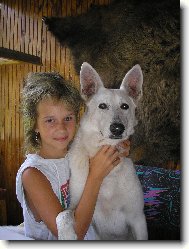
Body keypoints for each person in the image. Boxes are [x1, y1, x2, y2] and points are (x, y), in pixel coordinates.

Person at [16, 72, 131, 240]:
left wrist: (118, 149)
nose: (61, 128)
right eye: (50, 120)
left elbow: (109, 156)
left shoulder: (75, 153)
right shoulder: (32, 174)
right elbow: (72, 237)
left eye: (68, 118)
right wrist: (96, 176)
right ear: (34, 124)